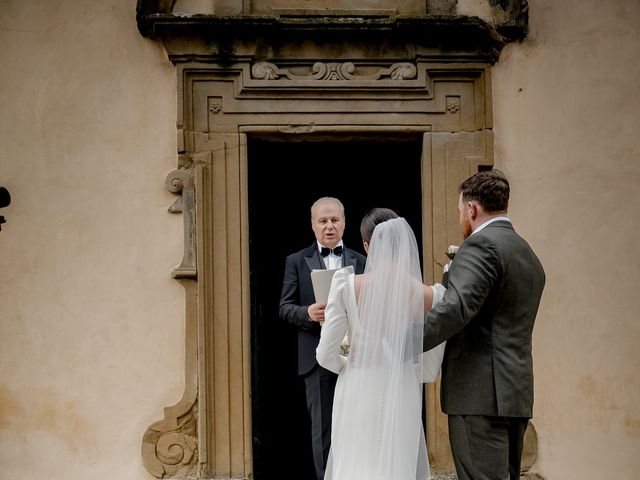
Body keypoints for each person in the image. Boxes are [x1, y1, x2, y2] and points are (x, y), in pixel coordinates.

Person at [422, 169, 546, 480]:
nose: (460, 217)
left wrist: (400, 340)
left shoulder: (481, 246)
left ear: (472, 208)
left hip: (479, 395)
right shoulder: (526, 253)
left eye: (459, 210)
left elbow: (456, 308)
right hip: (514, 393)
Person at [316, 208, 447, 480]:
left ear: (366, 245)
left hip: (358, 388)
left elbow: (325, 355)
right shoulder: (431, 295)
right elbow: (430, 367)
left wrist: (349, 361)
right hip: (403, 392)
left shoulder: (347, 285)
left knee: (355, 466)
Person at [279, 197, 367, 480]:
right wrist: (307, 313)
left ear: (344, 223)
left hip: (357, 357)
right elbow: (284, 307)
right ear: (313, 225)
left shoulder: (362, 261)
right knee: (323, 430)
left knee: (357, 426)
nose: (329, 226)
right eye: (323, 221)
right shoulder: (295, 261)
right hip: (315, 359)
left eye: (335, 220)